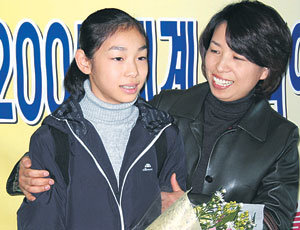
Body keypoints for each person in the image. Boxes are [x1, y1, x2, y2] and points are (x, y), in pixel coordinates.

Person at [6, 1, 299, 229]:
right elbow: (90, 144)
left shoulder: (281, 138)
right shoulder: (167, 106)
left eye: (238, 58)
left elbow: (274, 222)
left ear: (265, 70)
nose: (221, 66)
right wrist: (23, 176)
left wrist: (196, 209)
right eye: (215, 50)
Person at [13, 8, 186, 230]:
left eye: (141, 57)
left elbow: (173, 219)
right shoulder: (54, 138)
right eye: (118, 58)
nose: (133, 70)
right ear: (85, 62)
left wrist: (183, 212)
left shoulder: (163, 133)